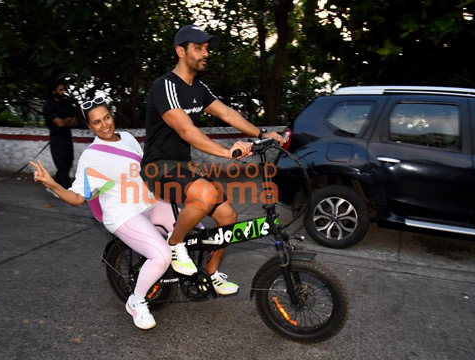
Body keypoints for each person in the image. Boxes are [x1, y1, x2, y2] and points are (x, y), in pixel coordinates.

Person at [141, 24, 285, 295]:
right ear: (180, 51)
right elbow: (186, 130)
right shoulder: (165, 86)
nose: (205, 53)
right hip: (159, 168)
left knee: (228, 215)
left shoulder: (199, 88)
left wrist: (263, 133)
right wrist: (228, 152)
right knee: (206, 195)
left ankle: (211, 273)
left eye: (206, 48)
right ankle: (175, 244)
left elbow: (227, 113)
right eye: (198, 48)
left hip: (184, 168)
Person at [31, 94, 177, 331]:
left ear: (112, 116)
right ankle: (136, 301)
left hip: (149, 203)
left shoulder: (128, 138)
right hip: (122, 213)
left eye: (106, 117)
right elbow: (78, 198)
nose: (104, 125)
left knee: (192, 230)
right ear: (89, 127)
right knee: (161, 256)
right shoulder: (91, 158)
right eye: (97, 122)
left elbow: (140, 171)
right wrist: (52, 184)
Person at [42, 80, 80, 190]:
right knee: (62, 162)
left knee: (68, 161)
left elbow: (75, 122)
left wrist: (65, 121)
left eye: (63, 90)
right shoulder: (49, 105)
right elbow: (59, 123)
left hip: (67, 136)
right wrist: (66, 121)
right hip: (57, 138)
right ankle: (66, 189)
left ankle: (54, 184)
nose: (63, 92)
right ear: (53, 91)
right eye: (60, 90)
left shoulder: (66, 104)